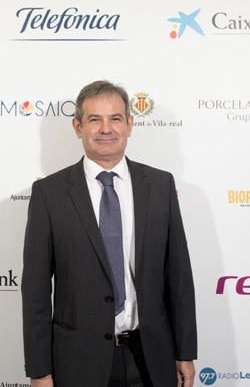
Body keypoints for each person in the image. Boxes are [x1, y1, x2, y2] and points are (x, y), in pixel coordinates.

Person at [22, 80, 197, 387]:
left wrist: (185, 351)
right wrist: (39, 371)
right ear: (77, 127)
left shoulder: (160, 186)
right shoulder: (49, 194)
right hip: (77, 363)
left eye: (115, 118)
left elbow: (179, 277)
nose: (106, 128)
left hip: (152, 358)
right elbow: (35, 292)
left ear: (129, 125)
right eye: (94, 119)